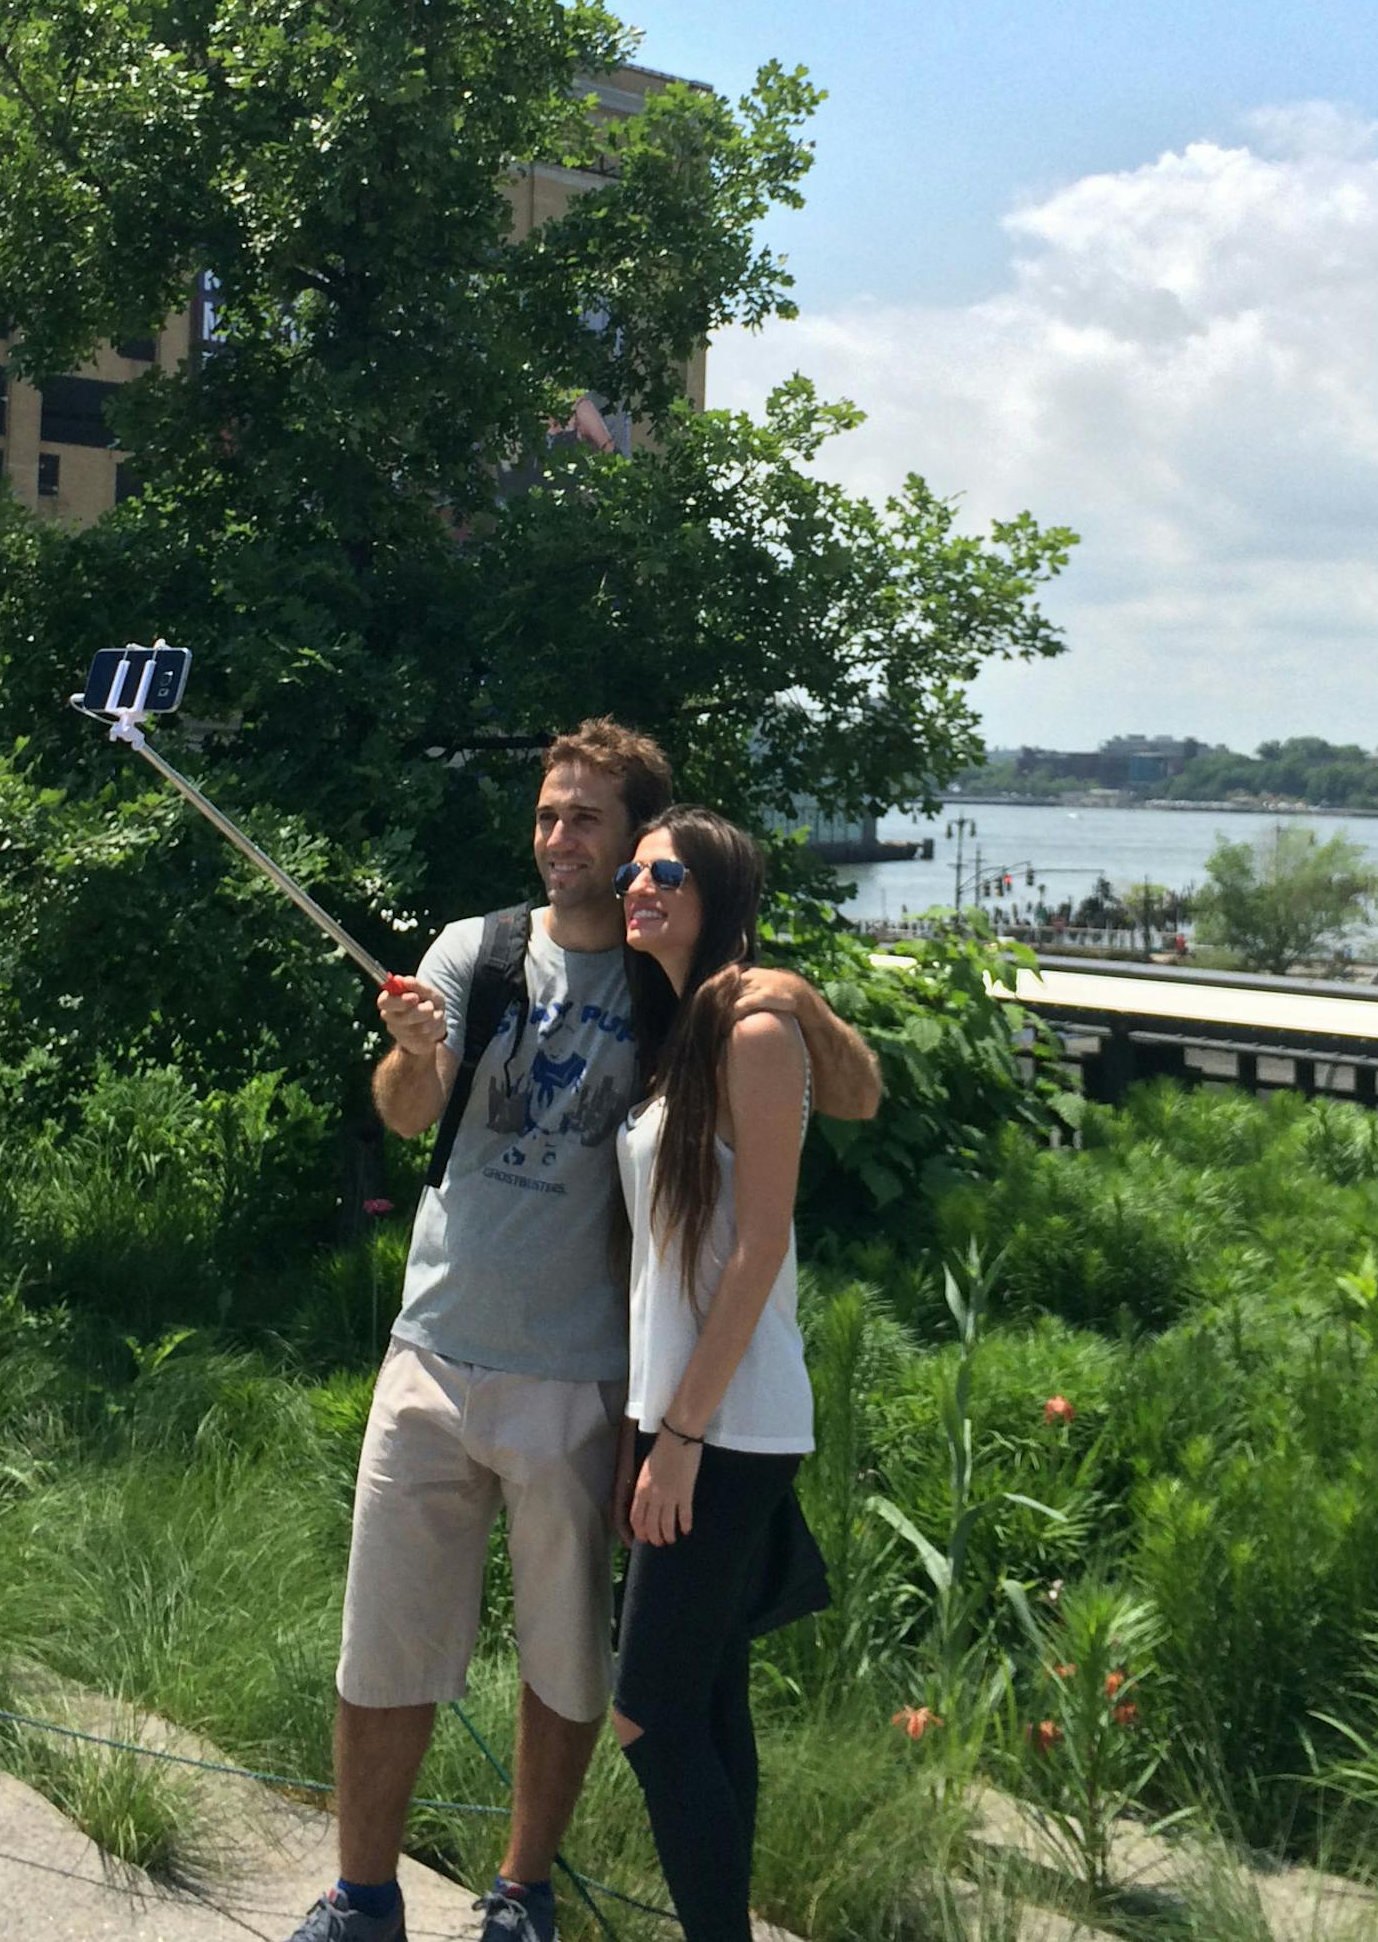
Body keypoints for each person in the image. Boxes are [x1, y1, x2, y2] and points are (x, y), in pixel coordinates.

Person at [288, 722, 879, 1942]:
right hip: (436, 1351)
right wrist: (414, 1056)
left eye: (594, 824)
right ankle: (363, 1899)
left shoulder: (688, 999)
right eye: (549, 814)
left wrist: (801, 998)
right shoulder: (480, 952)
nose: (563, 839)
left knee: (582, 1675)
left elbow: (829, 1129)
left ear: (640, 847)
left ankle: (524, 1895)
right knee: (389, 1649)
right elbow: (408, 1116)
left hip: (593, 1383)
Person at [608, 806, 825, 1942]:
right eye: (635, 870)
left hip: (728, 1425)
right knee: (707, 1700)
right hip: (686, 1414)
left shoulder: (751, 1031)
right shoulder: (681, 1029)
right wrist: (653, 1427)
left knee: (648, 1716)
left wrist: (680, 1440)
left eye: (669, 873)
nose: (639, 885)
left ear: (723, 894)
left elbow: (760, 1246)